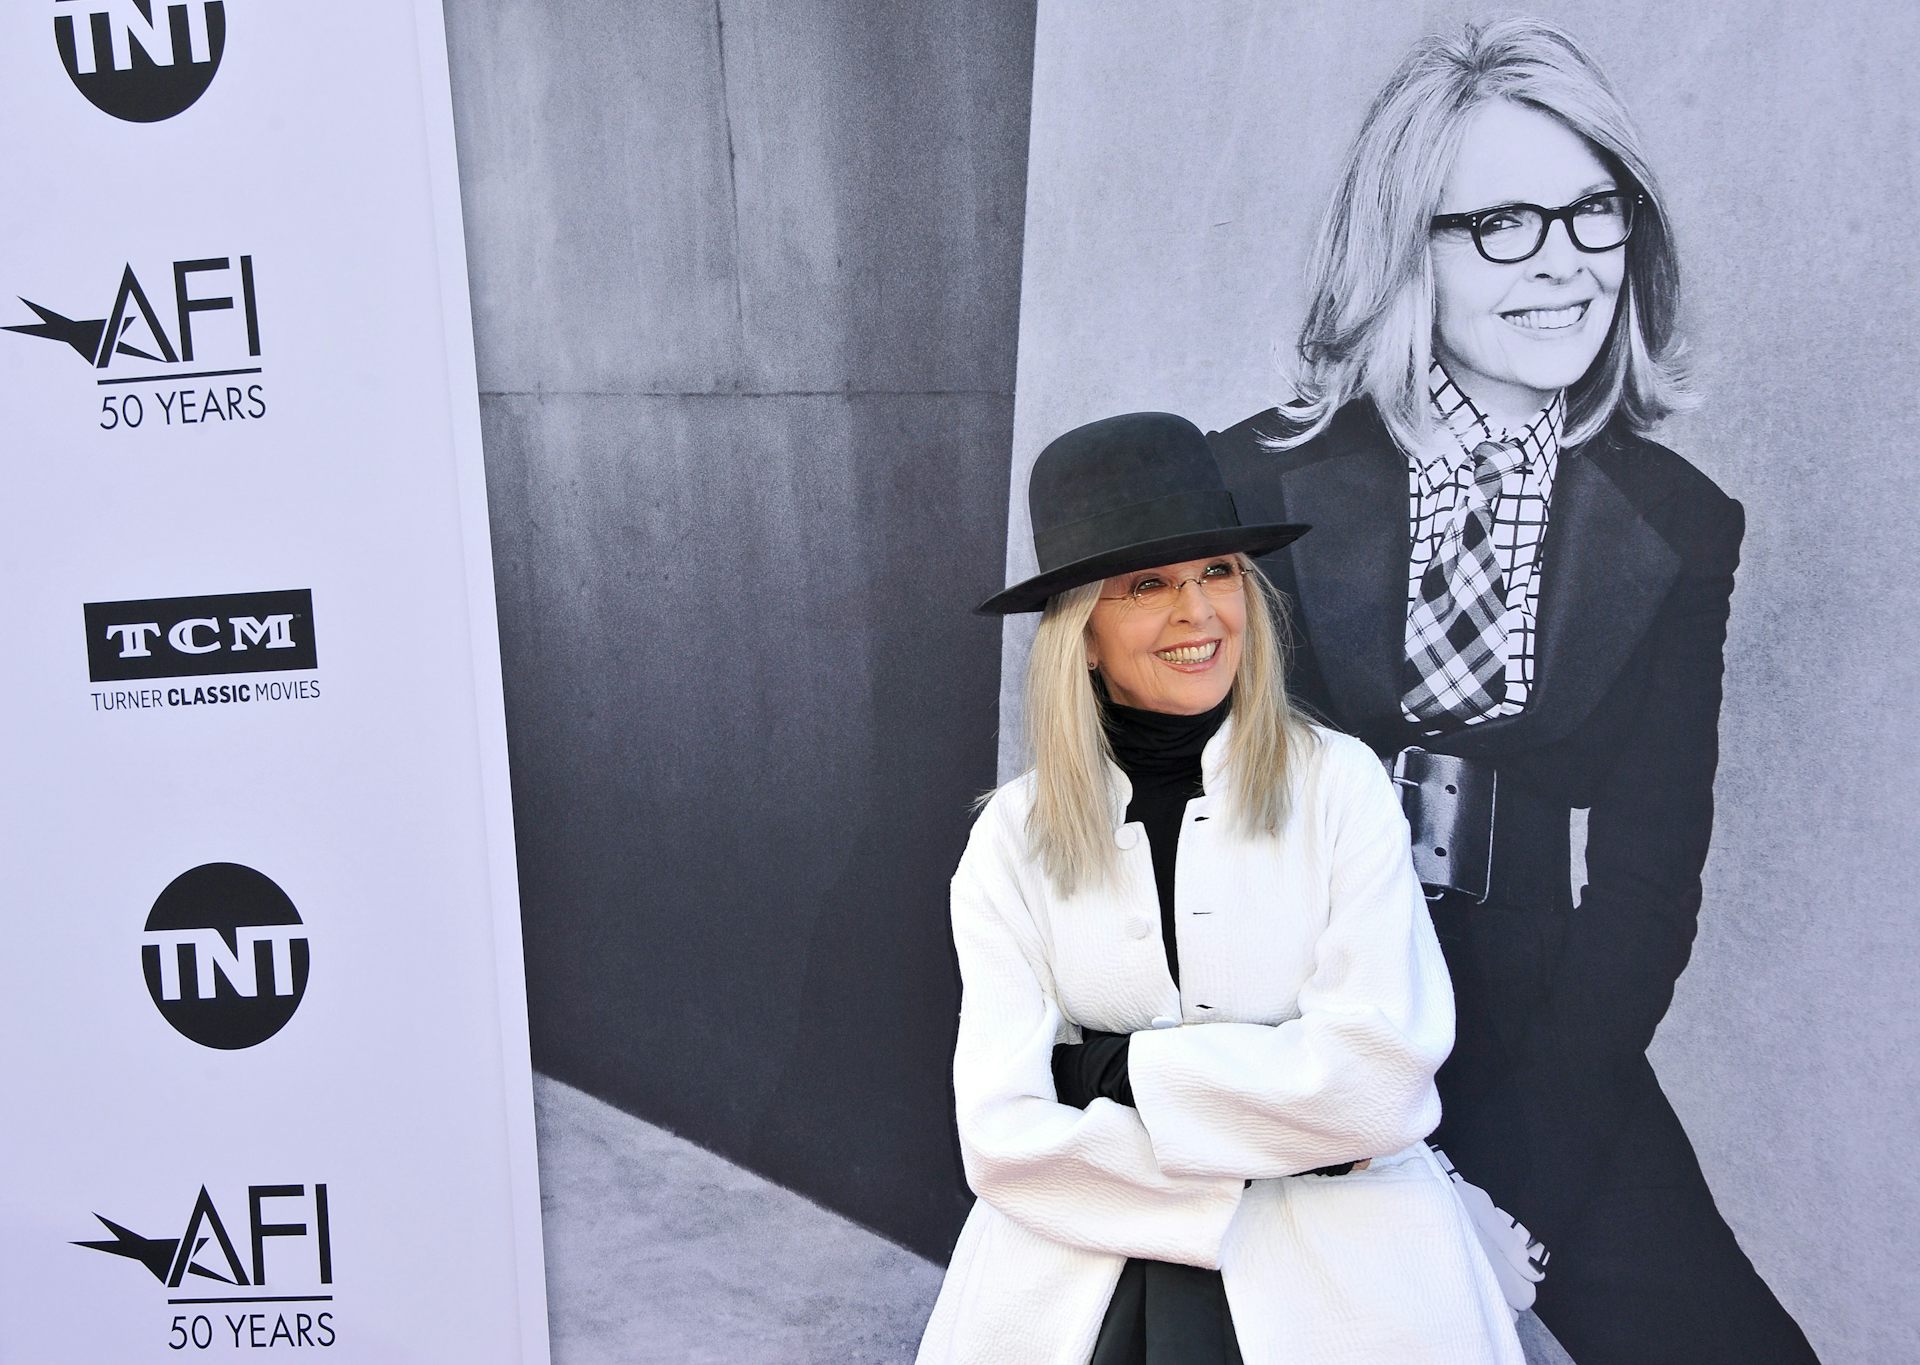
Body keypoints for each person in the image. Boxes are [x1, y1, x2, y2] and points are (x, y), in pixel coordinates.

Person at [1210, 18, 1819, 1364]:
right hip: (1289, 1010)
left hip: (1544, 1037)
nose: (1564, 264)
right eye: (1500, 224)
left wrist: (1511, 1192)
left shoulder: (1680, 521)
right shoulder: (1248, 486)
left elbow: (1653, 882)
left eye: (1593, 214)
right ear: (1401, 244)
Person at [917, 411, 1522, 1364]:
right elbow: (1000, 1138)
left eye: (1217, 572)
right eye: (1149, 583)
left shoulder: (1341, 783)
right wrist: (1280, 1134)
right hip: (1078, 1286)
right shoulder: (1011, 840)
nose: (1199, 612)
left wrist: (1107, 1073)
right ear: (1080, 632)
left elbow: (1378, 1087)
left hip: (1349, 1287)